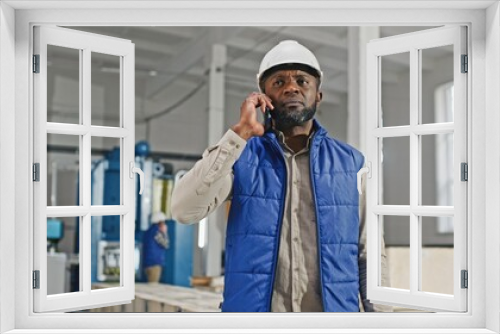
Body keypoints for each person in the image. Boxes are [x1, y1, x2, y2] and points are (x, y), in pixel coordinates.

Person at [171, 40, 391, 312]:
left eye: (302, 80)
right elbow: (183, 210)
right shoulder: (241, 158)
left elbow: (369, 256)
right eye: (278, 82)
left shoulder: (352, 163)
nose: (291, 87)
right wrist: (238, 135)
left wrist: (380, 322)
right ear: (263, 97)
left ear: (318, 95)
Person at [143, 211, 170, 284]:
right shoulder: (157, 233)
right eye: (163, 222)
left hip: (147, 264)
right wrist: (165, 233)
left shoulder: (148, 231)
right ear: (160, 222)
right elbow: (166, 244)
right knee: (153, 287)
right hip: (154, 264)